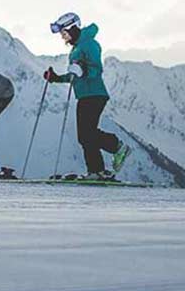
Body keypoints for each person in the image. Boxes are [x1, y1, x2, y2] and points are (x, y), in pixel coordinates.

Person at [43, 12, 130, 180]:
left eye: (63, 31)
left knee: (87, 133)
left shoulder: (90, 44)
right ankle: (96, 171)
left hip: (95, 94)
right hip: (84, 95)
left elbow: (96, 69)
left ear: (73, 27)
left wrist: (82, 70)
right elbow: (75, 75)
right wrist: (56, 78)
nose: (62, 36)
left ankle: (116, 147)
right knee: (84, 136)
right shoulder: (76, 49)